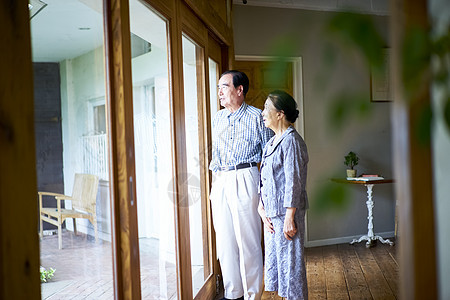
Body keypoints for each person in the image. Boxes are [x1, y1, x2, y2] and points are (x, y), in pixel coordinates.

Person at [209, 70, 273, 300]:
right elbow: (215, 154)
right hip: (221, 180)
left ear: (239, 90)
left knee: (248, 240)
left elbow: (269, 157)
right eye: (219, 87)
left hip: (246, 176)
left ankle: (252, 295)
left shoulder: (258, 117)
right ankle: (232, 292)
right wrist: (215, 186)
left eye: (224, 86)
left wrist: (265, 193)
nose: (219, 92)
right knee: (224, 241)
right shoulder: (217, 118)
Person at [258, 90, 309, 300]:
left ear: (280, 114)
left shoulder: (291, 141)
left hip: (287, 214)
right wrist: (261, 209)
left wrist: (290, 217)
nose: (262, 113)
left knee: (291, 267)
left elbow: (294, 182)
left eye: (266, 109)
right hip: (272, 214)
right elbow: (265, 178)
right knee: (280, 266)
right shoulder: (271, 142)